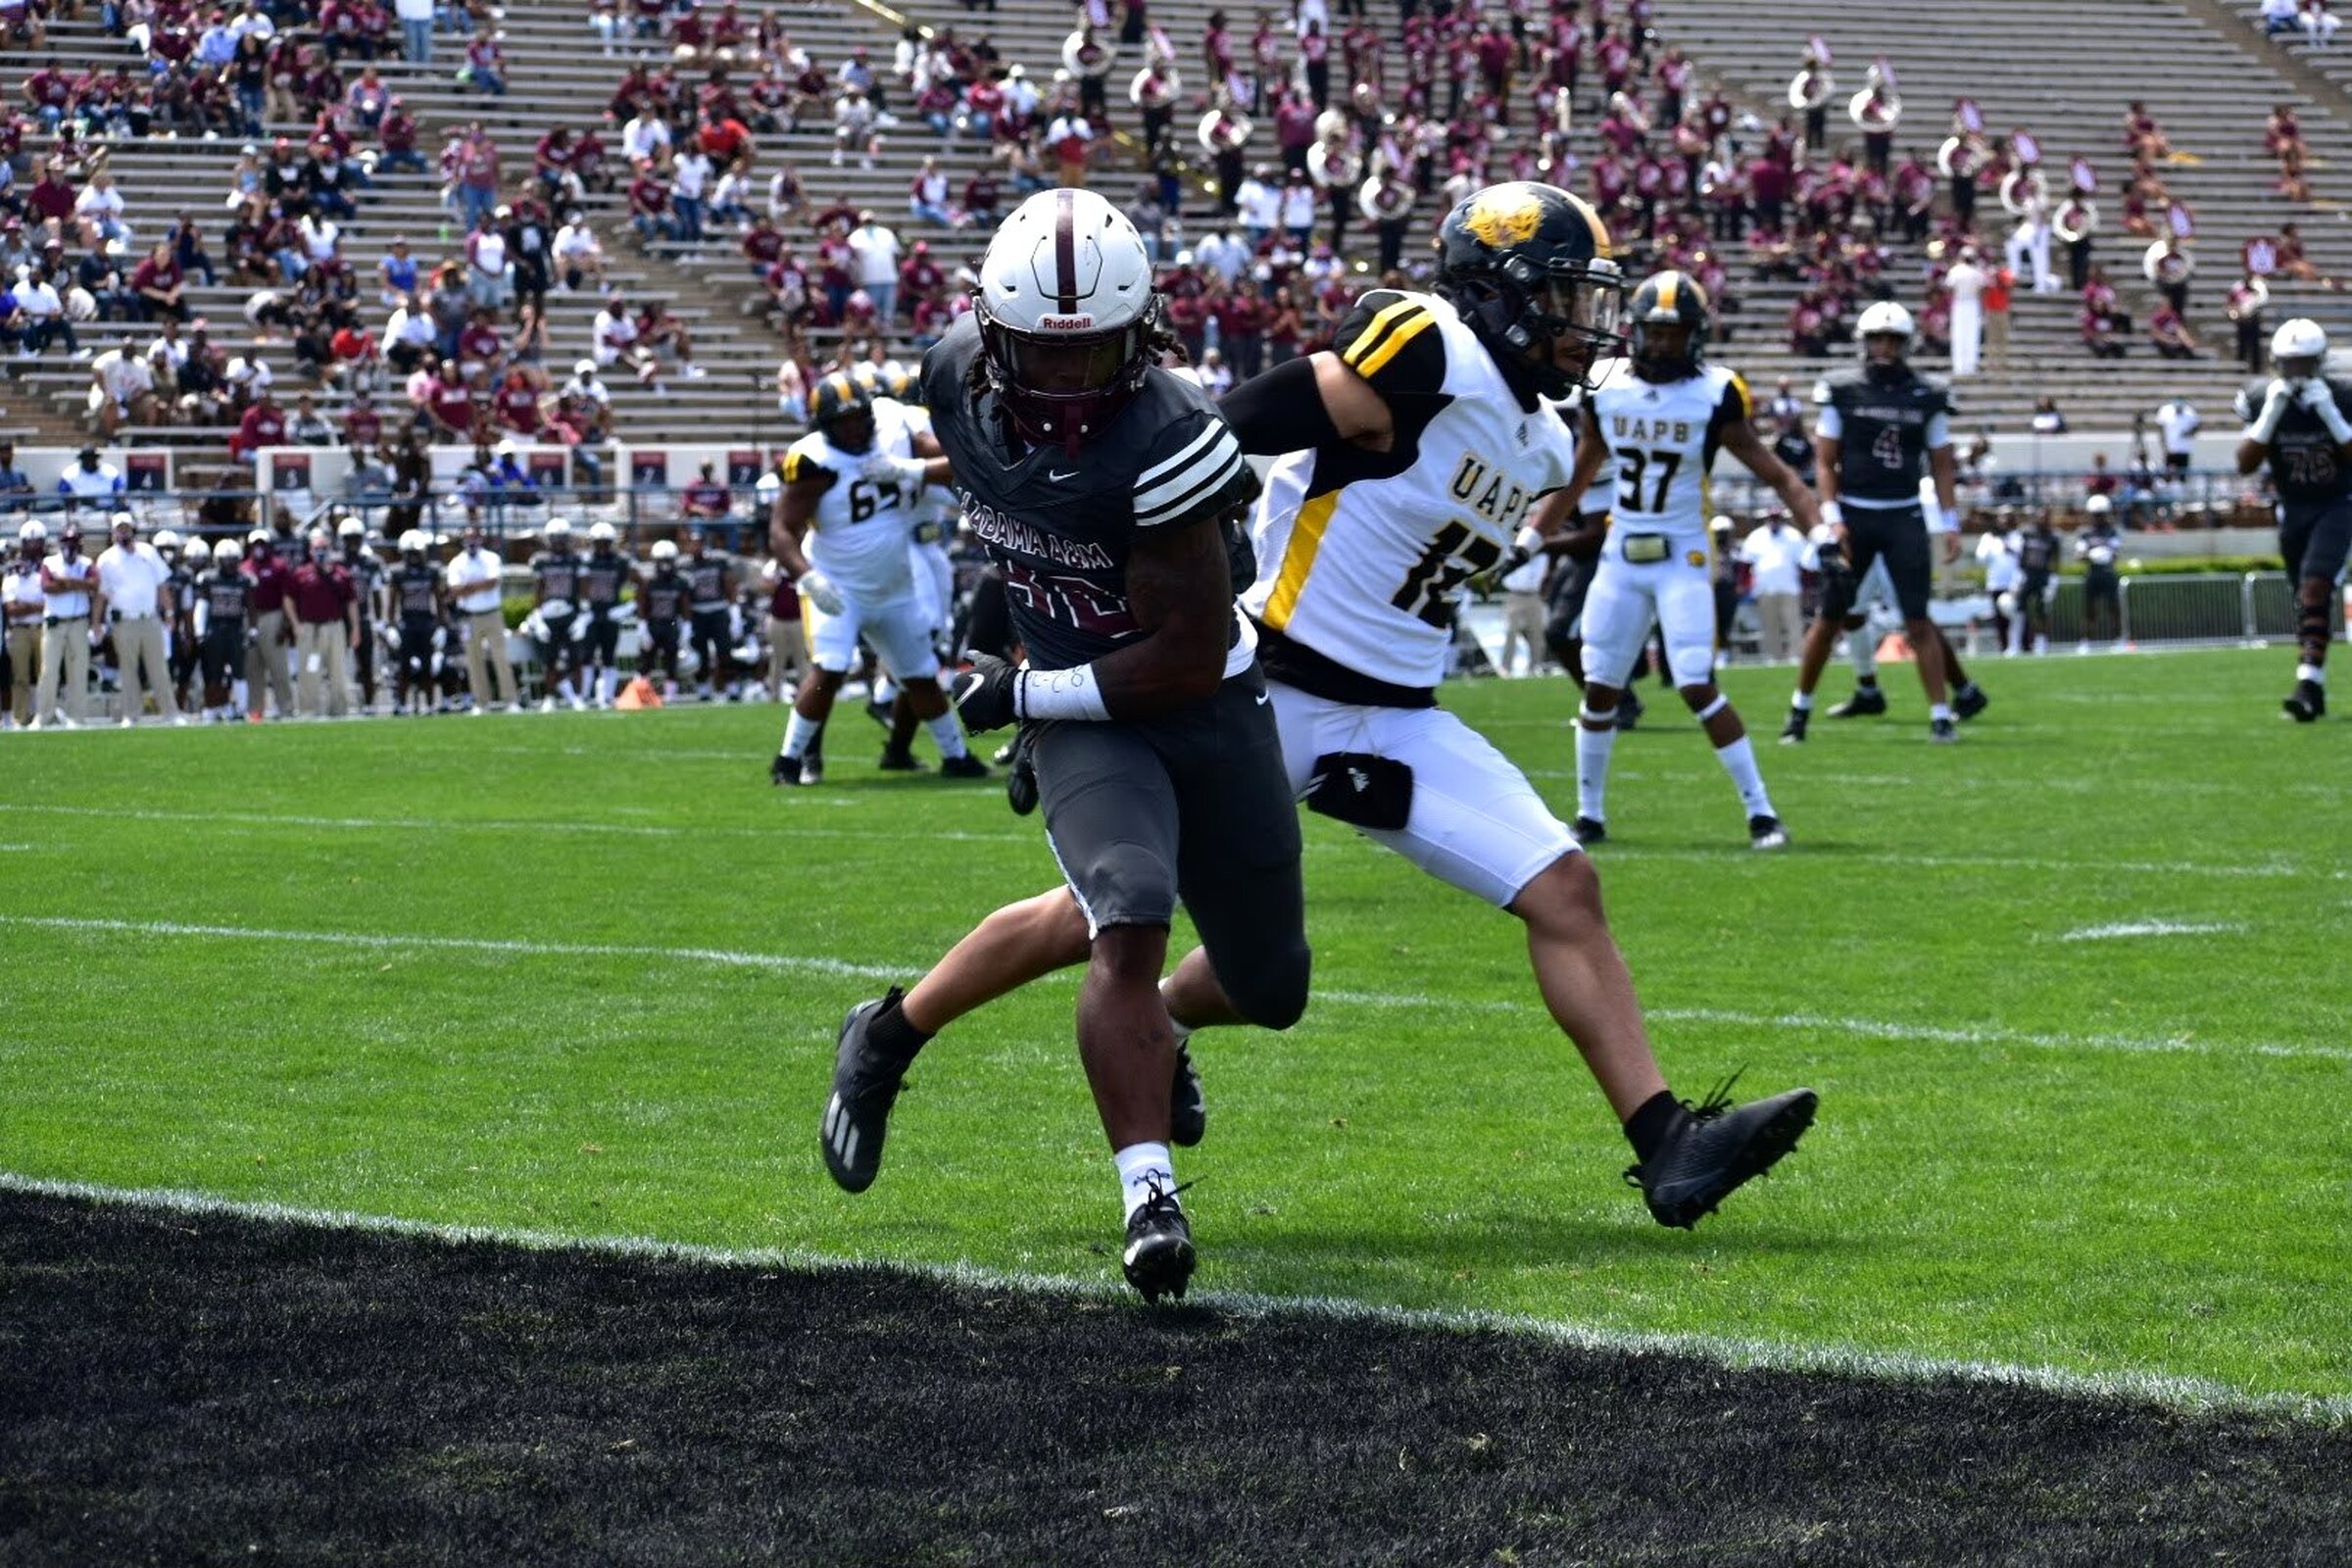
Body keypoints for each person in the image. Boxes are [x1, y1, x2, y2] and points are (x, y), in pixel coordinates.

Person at [816, 187, 1311, 1303]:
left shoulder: (1172, 438)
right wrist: (1033, 675)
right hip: (1074, 701)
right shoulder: (951, 379)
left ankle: (892, 1028)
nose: (1061, 384)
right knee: (1128, 906)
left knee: (1270, 983)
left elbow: (1182, 654)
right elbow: (1019, 517)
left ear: (1140, 344)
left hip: (1195, 700)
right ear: (993, 337)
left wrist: (1031, 684)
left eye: (1090, 360)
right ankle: (1150, 1196)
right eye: (1041, 355)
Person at [1548, 270, 1810, 849]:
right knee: (1598, 687)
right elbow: (1579, 472)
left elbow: (1778, 474)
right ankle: (1589, 814)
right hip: (1621, 554)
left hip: (1682, 554)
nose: (1663, 344)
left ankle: (1761, 812)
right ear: (1635, 331)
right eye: (1655, 332)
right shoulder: (1606, 385)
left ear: (1695, 336)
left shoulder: (1716, 391)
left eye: (1675, 333)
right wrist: (1531, 535)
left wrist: (1821, 529)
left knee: (1695, 682)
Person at [1780, 302, 1988, 745]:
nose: (1885, 348)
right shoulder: (1842, 389)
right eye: (1878, 338)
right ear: (1864, 341)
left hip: (1904, 514)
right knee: (1830, 615)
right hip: (1854, 514)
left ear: (1906, 344)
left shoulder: (1926, 394)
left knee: (1917, 619)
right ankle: (1799, 711)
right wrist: (1831, 518)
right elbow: (1824, 461)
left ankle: (1940, 714)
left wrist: (1950, 521)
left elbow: (1942, 464)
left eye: (1893, 340)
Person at [766, 371, 984, 778]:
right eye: (841, 422)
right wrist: (807, 576)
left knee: (920, 672)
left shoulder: (894, 435)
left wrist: (907, 470)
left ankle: (956, 757)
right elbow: (781, 530)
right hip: (837, 585)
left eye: (858, 418)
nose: (853, 429)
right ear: (824, 425)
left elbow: (961, 467)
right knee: (829, 668)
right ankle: (789, 760)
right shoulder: (813, 459)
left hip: (895, 584)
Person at [2235, 318, 2352, 719]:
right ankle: (2314, 689)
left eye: (2303, 364)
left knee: (2316, 587)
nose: (2295, 373)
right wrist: (2270, 413)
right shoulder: (2260, 398)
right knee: (2305, 600)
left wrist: (2332, 415)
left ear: (2319, 362)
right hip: (2294, 507)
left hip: (2338, 503)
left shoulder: (2343, 395)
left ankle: (2305, 684)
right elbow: (2245, 464)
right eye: (2289, 364)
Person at [93, 514, 182, 725]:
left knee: (158, 668)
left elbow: (161, 585)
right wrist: (96, 622)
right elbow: (101, 595)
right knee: (128, 669)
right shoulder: (106, 559)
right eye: (119, 529)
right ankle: (131, 715)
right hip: (124, 622)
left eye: (127, 528)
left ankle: (171, 713)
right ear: (113, 532)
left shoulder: (148, 552)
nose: (123, 532)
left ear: (133, 529)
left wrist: (169, 612)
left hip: (150, 618)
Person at [288, 527, 359, 716]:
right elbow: (288, 600)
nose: (320, 552)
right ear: (310, 550)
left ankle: (339, 710)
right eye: (317, 548)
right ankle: (308, 710)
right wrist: (295, 624)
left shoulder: (341, 574)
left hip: (334, 627)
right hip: (310, 629)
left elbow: (351, 603)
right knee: (310, 671)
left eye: (324, 548)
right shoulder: (301, 573)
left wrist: (355, 628)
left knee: (338, 672)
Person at [33, 519, 98, 727]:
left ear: (79, 543)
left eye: (73, 541)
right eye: (66, 541)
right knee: (49, 671)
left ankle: (77, 717)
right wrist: (77, 585)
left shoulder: (86, 563)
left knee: (78, 670)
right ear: (60, 542)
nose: (70, 545)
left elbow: (94, 584)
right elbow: (47, 587)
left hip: (79, 622)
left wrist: (66, 582)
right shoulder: (49, 562)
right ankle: (44, 715)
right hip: (54, 622)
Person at [446, 518, 515, 711]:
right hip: (469, 616)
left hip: (492, 613)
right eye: (467, 538)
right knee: (474, 659)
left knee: (501, 656)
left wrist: (468, 587)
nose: (471, 542)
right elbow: (455, 591)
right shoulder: (456, 562)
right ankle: (481, 702)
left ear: (480, 539)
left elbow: (492, 582)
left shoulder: (491, 558)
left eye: (474, 538)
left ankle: (510, 700)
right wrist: (477, 586)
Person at [388, 527, 449, 714]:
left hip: (425, 621)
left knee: (427, 665)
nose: (414, 557)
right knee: (404, 666)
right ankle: (402, 704)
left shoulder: (431, 572)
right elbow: (392, 601)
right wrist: (390, 626)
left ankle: (430, 704)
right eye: (410, 553)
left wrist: (442, 626)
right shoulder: (398, 573)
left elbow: (439, 600)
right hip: (407, 622)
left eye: (416, 552)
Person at [528, 516, 585, 710]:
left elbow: (583, 591)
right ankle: (549, 698)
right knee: (550, 661)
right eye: (556, 538)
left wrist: (582, 617)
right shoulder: (541, 561)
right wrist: (538, 617)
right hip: (549, 616)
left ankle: (578, 697)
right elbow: (537, 591)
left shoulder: (576, 560)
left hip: (570, 615)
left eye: (562, 538)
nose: (559, 543)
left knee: (576, 659)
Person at [194, 536, 253, 720]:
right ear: (218, 560)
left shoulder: (245, 580)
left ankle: (241, 709)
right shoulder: (208, 578)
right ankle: (214, 708)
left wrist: (253, 630)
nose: (229, 563)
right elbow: (202, 606)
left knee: (239, 671)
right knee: (214, 672)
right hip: (215, 629)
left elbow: (250, 607)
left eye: (233, 559)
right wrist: (199, 630)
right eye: (226, 559)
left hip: (235, 629)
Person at [240, 529, 297, 719]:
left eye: (262, 543)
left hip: (273, 616)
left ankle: (286, 709)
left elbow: (288, 596)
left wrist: (285, 624)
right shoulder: (244, 567)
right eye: (255, 543)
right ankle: (255, 712)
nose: (259, 547)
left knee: (278, 668)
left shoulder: (279, 566)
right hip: (250, 618)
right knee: (252, 668)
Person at [1739, 512, 1808, 662]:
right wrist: (1744, 585)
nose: (1774, 521)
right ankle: (1772, 656)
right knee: (1769, 624)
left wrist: (1806, 587)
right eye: (1771, 518)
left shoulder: (1793, 536)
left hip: (1790, 588)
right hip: (1764, 588)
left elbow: (1804, 563)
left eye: (1777, 518)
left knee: (1793, 623)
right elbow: (1746, 564)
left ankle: (1795, 655)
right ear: (1766, 519)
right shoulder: (1755, 537)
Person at [3, 520, 43, 727]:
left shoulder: (47, 567)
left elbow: (49, 603)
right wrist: (35, 606)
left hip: (42, 627)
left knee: (44, 675)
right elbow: (11, 608)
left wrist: (26, 606)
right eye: (30, 542)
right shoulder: (11, 575)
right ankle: (20, 717)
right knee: (20, 677)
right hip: (19, 629)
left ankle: (43, 715)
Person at [2076, 494, 2124, 648]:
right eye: (2096, 515)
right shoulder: (2085, 533)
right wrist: (2091, 555)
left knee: (2114, 609)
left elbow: (2115, 553)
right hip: (2092, 573)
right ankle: (2086, 643)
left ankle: (2118, 641)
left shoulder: (2111, 532)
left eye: (2101, 514)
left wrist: (2106, 554)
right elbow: (2079, 555)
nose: (2098, 518)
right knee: (2089, 610)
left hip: (2108, 573)